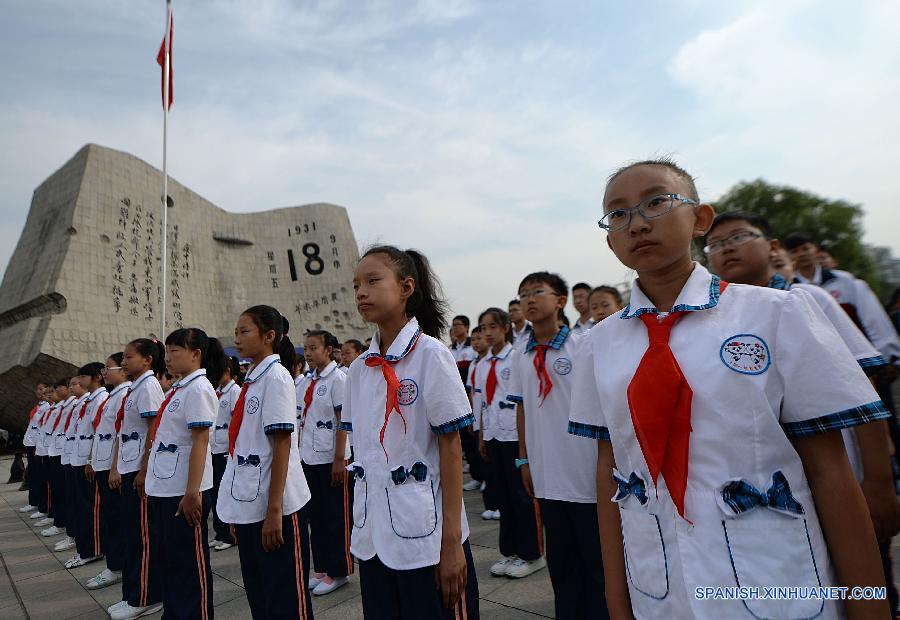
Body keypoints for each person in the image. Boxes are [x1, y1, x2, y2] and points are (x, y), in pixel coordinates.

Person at [569, 158, 889, 618]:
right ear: (611, 240)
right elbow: (610, 476)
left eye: (656, 202)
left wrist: (870, 607)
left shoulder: (777, 314)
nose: (638, 223)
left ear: (700, 219)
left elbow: (830, 469)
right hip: (659, 586)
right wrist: (618, 604)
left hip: (775, 579)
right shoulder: (597, 345)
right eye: (619, 214)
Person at [705, 210, 900, 615]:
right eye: (715, 245)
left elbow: (863, 394)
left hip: (840, 477)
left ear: (772, 246)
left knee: (864, 578)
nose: (726, 249)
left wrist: (879, 481)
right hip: (778, 494)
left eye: (738, 236)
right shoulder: (713, 319)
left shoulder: (805, 299)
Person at [343, 245, 479, 619]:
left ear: (406, 287)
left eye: (372, 281)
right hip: (374, 536)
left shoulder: (431, 355)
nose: (361, 293)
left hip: (428, 535)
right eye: (356, 285)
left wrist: (451, 543)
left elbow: (451, 451)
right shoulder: (359, 369)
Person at [508, 271, 608, 618]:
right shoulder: (520, 353)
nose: (529, 300)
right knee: (561, 559)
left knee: (596, 559)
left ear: (560, 301)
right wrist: (524, 460)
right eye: (523, 295)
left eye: (538, 292)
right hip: (546, 472)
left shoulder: (584, 345)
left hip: (585, 470)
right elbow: (521, 407)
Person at [216, 305, 314, 620]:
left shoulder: (277, 377)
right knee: (260, 588)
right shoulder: (254, 378)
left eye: (244, 331)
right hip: (251, 497)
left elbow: (282, 442)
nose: (237, 339)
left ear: (269, 336)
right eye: (236, 332)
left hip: (275, 504)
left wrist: (274, 511)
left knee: (285, 594)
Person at [145, 328, 223, 620]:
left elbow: (201, 441)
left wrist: (193, 492)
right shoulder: (179, 388)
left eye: (174, 352)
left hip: (183, 491)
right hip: (166, 487)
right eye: (166, 352)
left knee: (189, 563)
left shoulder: (199, 389)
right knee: (169, 559)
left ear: (195, 354)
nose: (167, 358)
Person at [476, 306, 545, 579]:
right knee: (502, 496)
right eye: (483, 328)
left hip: (514, 437)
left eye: (493, 327)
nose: (488, 333)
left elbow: (523, 404)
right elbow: (482, 402)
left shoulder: (517, 358)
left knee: (522, 497)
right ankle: (510, 551)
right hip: (493, 435)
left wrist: (525, 447)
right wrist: (481, 435)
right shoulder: (481, 365)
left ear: (506, 328)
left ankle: (533, 553)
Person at [107, 338, 166, 620]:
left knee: (143, 536)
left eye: (129, 357)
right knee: (132, 534)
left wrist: (144, 470)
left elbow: (153, 430)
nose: (124, 362)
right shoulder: (136, 387)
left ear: (147, 360)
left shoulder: (150, 387)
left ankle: (147, 595)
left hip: (139, 471)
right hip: (129, 466)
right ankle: (133, 593)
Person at [297, 329, 353, 596]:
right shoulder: (310, 381)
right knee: (316, 517)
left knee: (334, 517)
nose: (308, 353)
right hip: (310, 455)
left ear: (329, 350)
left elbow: (343, 421)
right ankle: (321, 568)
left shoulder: (338, 379)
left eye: (313, 348)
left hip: (331, 457)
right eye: (306, 348)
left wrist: (339, 459)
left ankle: (339, 570)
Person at [85, 353, 130, 590]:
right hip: (103, 463)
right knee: (109, 518)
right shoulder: (115, 395)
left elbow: (120, 436)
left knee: (115, 519)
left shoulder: (125, 394)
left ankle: (117, 566)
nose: (105, 372)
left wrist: (115, 468)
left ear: (123, 369)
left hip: (114, 468)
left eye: (108, 368)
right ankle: (115, 564)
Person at [63, 363, 108, 568]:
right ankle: (84, 548)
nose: (79, 381)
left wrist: (90, 460)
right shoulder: (90, 400)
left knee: (90, 508)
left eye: (82, 377)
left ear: (96, 377)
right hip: (78, 458)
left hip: (89, 461)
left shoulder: (101, 399)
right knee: (80, 506)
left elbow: (98, 432)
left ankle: (93, 549)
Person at [210, 354, 240, 551]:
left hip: (225, 450)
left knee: (225, 491)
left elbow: (236, 422)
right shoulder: (217, 391)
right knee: (215, 494)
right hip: (214, 447)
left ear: (228, 371)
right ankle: (219, 532)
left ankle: (230, 535)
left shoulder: (234, 392)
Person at [20, 382, 51, 516]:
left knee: (39, 476)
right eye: (37, 389)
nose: (39, 392)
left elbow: (42, 428)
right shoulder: (39, 406)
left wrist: (38, 445)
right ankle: (33, 502)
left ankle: (41, 504)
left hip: (37, 445)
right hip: (31, 443)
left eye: (42, 389)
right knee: (33, 475)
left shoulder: (47, 407)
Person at [449, 315, 476, 383]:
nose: (455, 327)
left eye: (458, 324)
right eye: (453, 325)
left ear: (467, 327)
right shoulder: (450, 349)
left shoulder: (473, 346)